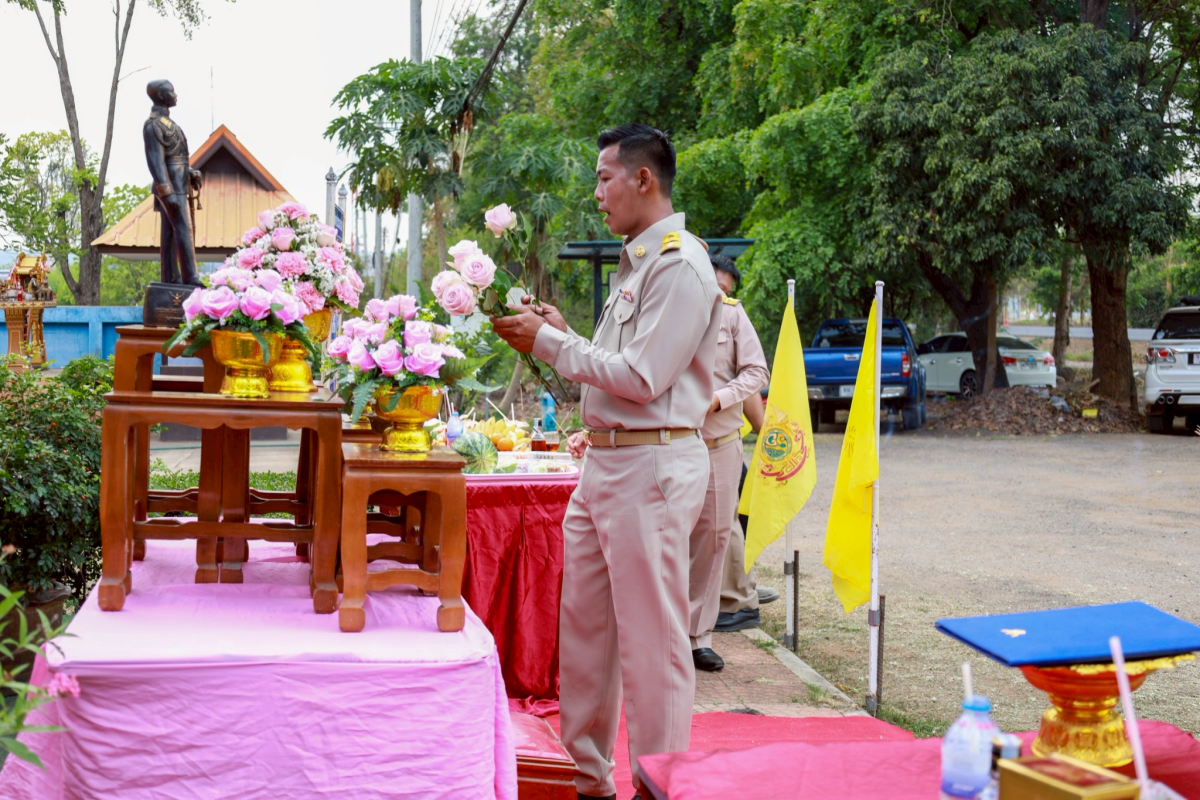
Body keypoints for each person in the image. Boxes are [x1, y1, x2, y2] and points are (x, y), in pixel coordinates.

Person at [491, 124, 721, 800]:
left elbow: (644, 377)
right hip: (608, 465)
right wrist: (562, 335)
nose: (597, 193)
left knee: (653, 647)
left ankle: (658, 785)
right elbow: (616, 367)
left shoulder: (679, 263)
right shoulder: (639, 261)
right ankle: (587, 779)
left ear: (643, 180)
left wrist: (554, 347)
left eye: (604, 178)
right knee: (585, 634)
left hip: (650, 465)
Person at [687, 255, 769, 672]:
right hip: (666, 443)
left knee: (716, 536)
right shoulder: (664, 306)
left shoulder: (732, 314)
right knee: (665, 539)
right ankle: (661, 634)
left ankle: (697, 637)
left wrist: (720, 398)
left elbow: (757, 371)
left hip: (718, 442)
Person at [143, 79, 203, 286]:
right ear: (160, 96)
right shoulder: (152, 126)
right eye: (171, 91)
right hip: (170, 188)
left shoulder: (171, 126)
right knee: (184, 229)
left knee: (170, 235)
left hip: (179, 184)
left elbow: (175, 159)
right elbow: (156, 162)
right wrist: (165, 191)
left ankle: (171, 277)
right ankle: (190, 277)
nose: (175, 95)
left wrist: (190, 173)